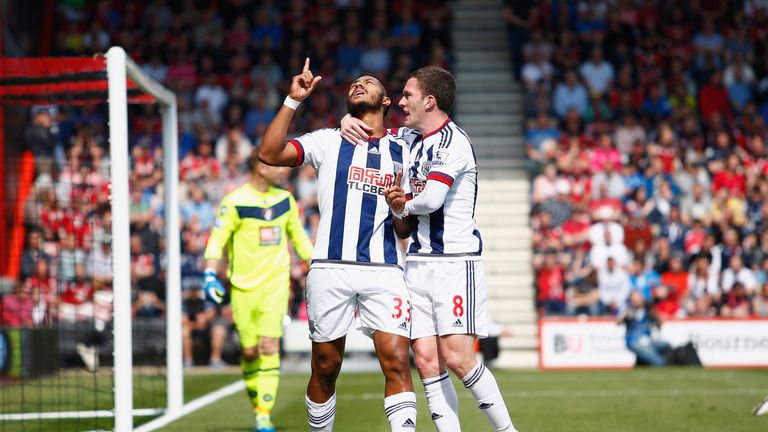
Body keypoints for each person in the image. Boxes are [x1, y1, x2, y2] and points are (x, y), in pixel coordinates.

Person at [343, 66, 518, 432]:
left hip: (456, 263)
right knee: (424, 360)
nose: (401, 102)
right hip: (418, 264)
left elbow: (432, 199)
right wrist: (348, 120)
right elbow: (373, 135)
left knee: (458, 357)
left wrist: (400, 203)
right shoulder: (408, 137)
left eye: (407, 95)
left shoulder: (455, 142)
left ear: (430, 101)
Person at [258, 59, 417, 432]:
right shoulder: (329, 140)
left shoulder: (403, 149)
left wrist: (399, 207)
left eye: (368, 82)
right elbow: (268, 154)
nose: (358, 84)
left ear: (386, 102)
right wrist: (293, 101)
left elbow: (406, 227)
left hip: (385, 269)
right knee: (326, 366)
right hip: (331, 267)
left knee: (396, 361)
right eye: (354, 83)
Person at [203, 149, 313, 432]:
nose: (282, 168)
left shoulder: (285, 200)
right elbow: (217, 240)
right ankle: (259, 405)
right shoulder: (235, 202)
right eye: (276, 164)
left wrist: (316, 265)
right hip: (242, 288)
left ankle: (264, 414)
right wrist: (209, 273)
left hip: (276, 285)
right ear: (261, 168)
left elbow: (299, 239)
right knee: (250, 351)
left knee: (269, 346)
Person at [619, 290, 670, 367]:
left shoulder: (647, 310)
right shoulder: (629, 310)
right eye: (636, 297)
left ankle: (641, 362)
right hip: (635, 342)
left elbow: (659, 322)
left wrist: (654, 312)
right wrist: (627, 314)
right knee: (659, 362)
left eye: (640, 296)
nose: (639, 299)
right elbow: (619, 322)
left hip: (648, 341)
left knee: (666, 345)